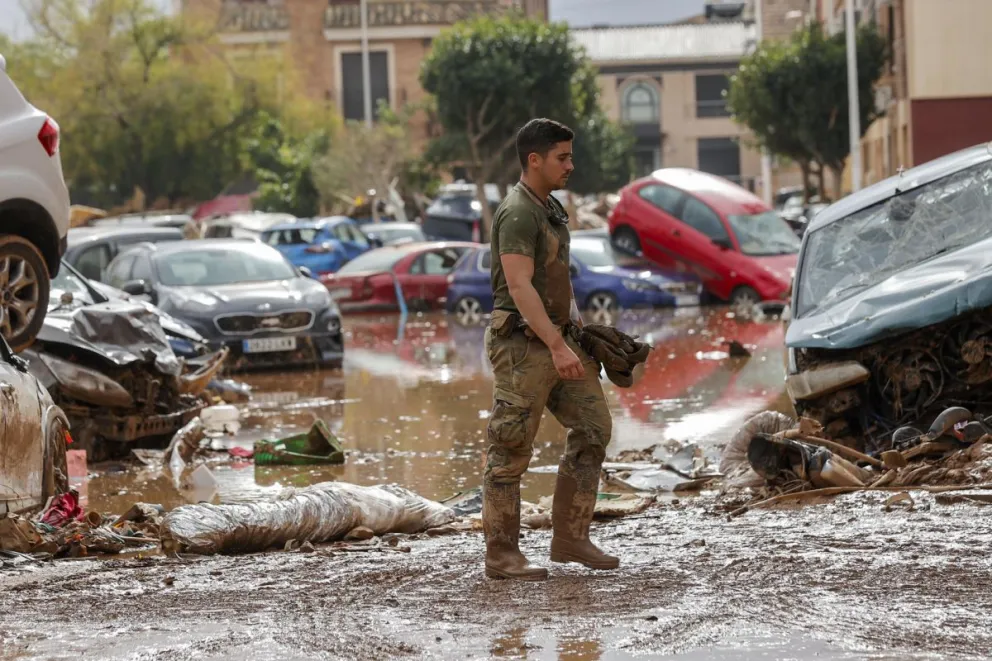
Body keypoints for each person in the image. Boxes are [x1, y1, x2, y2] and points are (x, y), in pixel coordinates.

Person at [482, 118, 617, 581]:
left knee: (594, 426)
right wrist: (558, 345)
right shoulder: (518, 211)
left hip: (559, 339)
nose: (570, 165)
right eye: (562, 157)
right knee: (510, 446)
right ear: (534, 159)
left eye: (570, 156)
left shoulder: (550, 208)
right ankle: (502, 555)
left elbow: (557, 277)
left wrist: (578, 330)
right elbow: (519, 286)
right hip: (523, 345)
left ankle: (570, 538)